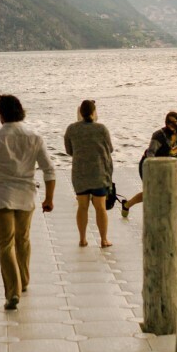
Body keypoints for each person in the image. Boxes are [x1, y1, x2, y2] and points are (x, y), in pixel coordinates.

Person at [0, 94, 56, 311]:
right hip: (26, 196)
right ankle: (23, 281)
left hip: (2, 198)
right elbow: (49, 170)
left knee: (5, 244)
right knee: (23, 240)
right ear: (20, 112)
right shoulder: (35, 137)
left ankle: (12, 293)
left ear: (1, 114)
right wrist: (49, 198)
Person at [121, 111, 177, 216]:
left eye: (173, 122)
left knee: (170, 190)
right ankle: (127, 205)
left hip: (168, 168)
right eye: (168, 122)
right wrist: (153, 168)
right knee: (151, 193)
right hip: (149, 165)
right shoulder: (159, 135)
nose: (171, 124)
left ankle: (172, 213)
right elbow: (150, 152)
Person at [63, 99, 114, 248]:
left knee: (82, 206)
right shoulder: (102, 129)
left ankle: (82, 239)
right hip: (99, 173)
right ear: (93, 112)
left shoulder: (71, 129)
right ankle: (104, 240)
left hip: (80, 173)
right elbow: (109, 149)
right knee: (100, 207)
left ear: (80, 113)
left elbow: (69, 151)